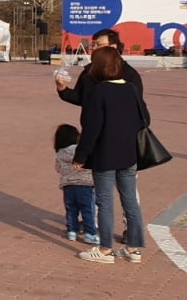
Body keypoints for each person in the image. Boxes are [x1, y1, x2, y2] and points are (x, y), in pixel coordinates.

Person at [73, 46, 147, 265]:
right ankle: (133, 248)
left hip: (105, 155)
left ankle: (105, 249)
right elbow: (145, 119)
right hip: (129, 153)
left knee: (105, 202)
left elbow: (91, 128)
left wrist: (81, 155)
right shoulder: (131, 89)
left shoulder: (100, 91)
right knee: (130, 201)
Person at [56, 28, 144, 118]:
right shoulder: (88, 71)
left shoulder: (129, 74)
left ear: (113, 47)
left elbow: (137, 107)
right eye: (93, 45)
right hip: (91, 128)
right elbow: (80, 98)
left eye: (99, 45)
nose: (94, 48)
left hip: (120, 128)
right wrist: (62, 88)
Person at [54, 123, 98, 244]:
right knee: (87, 210)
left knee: (71, 210)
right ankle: (90, 233)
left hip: (68, 186)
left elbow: (57, 168)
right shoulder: (80, 150)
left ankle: (72, 231)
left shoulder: (59, 153)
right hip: (85, 185)